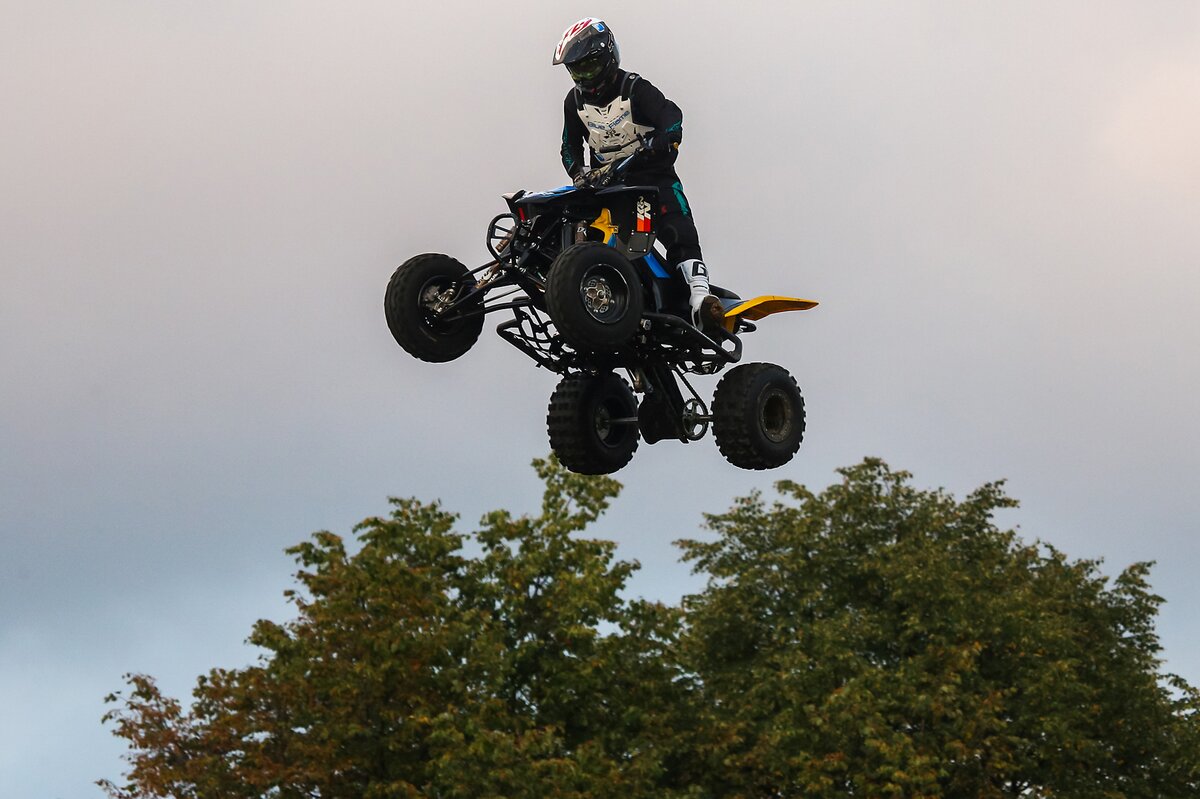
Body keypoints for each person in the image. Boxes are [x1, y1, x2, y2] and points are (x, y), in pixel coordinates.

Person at [553, 17, 722, 331]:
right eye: (577, 70)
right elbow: (568, 146)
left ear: (607, 57)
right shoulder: (573, 102)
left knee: (677, 229)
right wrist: (578, 173)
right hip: (608, 188)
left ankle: (701, 297)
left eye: (589, 67)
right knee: (575, 225)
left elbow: (672, 116)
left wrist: (664, 139)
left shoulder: (635, 87)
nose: (585, 77)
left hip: (653, 178)